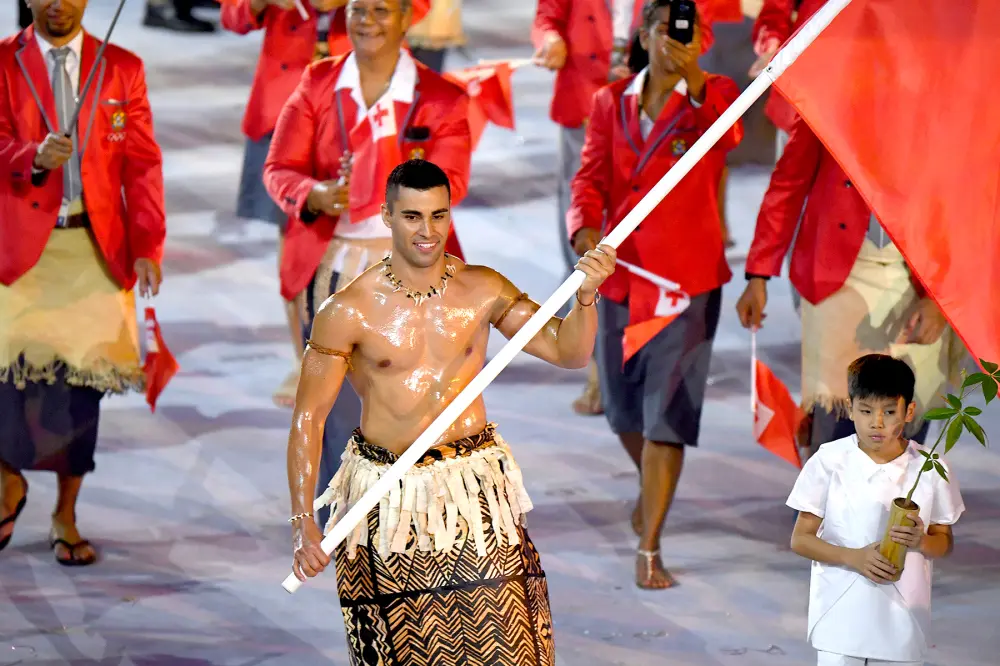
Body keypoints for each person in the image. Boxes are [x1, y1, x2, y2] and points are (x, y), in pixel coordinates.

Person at [287, 159, 616, 665]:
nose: (428, 231)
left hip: (474, 492)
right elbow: (309, 418)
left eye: (438, 215)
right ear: (386, 216)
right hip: (388, 503)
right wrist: (303, 518)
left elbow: (568, 353)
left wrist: (588, 297)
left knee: (514, 647)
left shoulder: (482, 288)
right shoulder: (346, 311)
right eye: (413, 217)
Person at [264, 0, 471, 527]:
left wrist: (386, 179)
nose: (367, 20)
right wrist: (315, 194)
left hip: (417, 276)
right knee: (335, 407)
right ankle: (348, 519)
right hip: (333, 270)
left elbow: (456, 183)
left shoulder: (442, 96)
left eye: (382, 9)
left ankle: (415, 519)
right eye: (358, 8)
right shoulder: (316, 83)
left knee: (416, 400)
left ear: (408, 17)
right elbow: (279, 169)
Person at [568, 0, 740, 589]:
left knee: (667, 413)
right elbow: (589, 177)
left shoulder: (712, 96)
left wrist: (693, 78)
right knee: (621, 410)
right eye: (660, 25)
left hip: (686, 286)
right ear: (640, 33)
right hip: (620, 277)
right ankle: (652, 489)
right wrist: (583, 226)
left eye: (683, 27)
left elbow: (732, 133)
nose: (671, 36)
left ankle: (650, 544)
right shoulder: (607, 102)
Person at [0, 0, 165, 564]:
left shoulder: (122, 66)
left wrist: (146, 246)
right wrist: (33, 156)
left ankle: (65, 512)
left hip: (94, 249)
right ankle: (9, 484)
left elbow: (141, 165)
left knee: (79, 397)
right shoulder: (2, 62)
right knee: (7, 384)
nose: (57, 3)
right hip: (18, 252)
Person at [734, 117, 964, 462]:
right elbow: (788, 185)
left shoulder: (942, 102)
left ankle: (890, 510)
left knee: (909, 412)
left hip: (921, 270)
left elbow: (964, 204)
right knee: (842, 415)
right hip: (838, 269)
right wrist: (758, 275)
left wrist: (938, 297)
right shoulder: (828, 96)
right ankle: (829, 509)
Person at [787, 354, 964, 666]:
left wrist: (921, 541)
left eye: (889, 411)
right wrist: (853, 557)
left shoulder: (930, 468)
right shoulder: (829, 461)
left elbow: (944, 540)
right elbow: (800, 539)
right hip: (839, 614)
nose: (877, 423)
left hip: (903, 617)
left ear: (909, 411)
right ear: (850, 407)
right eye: (866, 411)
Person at [221, 0, 351, 408]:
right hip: (282, 108)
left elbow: (415, 9)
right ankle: (305, 361)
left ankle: (354, 355)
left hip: (359, 100)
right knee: (293, 239)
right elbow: (233, 15)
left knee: (363, 233)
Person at [532, 0, 650, 416]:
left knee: (639, 235)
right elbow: (547, 15)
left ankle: (638, 360)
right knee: (583, 235)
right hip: (582, 105)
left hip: (648, 111)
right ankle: (598, 366)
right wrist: (551, 40)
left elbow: (697, 29)